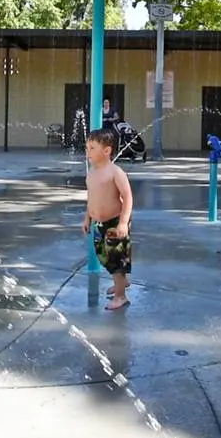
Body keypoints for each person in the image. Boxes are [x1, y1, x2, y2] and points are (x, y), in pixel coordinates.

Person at [82, 128, 134, 311]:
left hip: (114, 223)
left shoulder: (115, 172)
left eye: (92, 148)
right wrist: (87, 218)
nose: (88, 151)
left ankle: (120, 296)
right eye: (87, 147)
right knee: (104, 256)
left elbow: (128, 197)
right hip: (99, 223)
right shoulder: (92, 174)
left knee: (116, 261)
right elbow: (91, 198)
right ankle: (122, 282)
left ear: (107, 151)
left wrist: (123, 223)